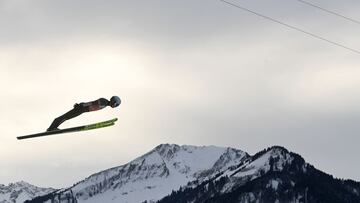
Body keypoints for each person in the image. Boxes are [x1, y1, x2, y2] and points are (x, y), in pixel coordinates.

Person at [47, 96, 121, 131]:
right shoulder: (104, 101)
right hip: (81, 108)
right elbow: (92, 103)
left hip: (83, 109)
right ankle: (52, 128)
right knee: (65, 117)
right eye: (115, 104)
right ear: (113, 101)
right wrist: (80, 105)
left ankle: (52, 128)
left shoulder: (105, 104)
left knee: (66, 117)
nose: (114, 106)